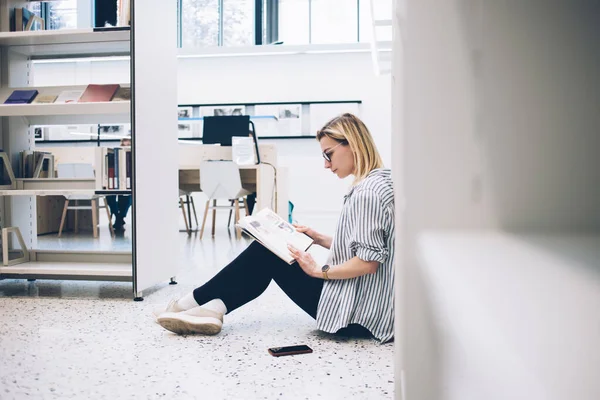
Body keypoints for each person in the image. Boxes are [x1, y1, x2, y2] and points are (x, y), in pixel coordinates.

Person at [154, 113, 395, 343]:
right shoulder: (380, 182)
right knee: (268, 254)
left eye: (329, 154)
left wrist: (318, 270)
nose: (326, 164)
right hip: (366, 306)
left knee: (266, 252)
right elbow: (370, 247)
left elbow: (368, 263)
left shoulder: (367, 194)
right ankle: (212, 308)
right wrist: (319, 238)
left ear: (352, 144)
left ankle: (188, 304)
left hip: (355, 315)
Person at [106, 136, 132, 231]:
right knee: (109, 196)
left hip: (129, 182)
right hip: (116, 180)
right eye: (124, 143)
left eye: (129, 143)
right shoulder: (115, 154)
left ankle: (119, 218)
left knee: (126, 197)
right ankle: (118, 217)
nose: (126, 145)